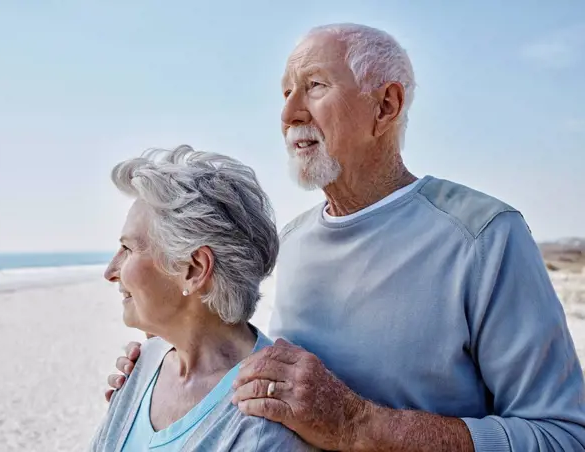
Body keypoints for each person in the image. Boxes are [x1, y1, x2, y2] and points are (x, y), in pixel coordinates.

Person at [106, 24, 585, 451]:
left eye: (314, 86)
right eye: (286, 92)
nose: (289, 113)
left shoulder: (483, 237)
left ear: (386, 105)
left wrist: (362, 426)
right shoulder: (290, 243)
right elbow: (250, 363)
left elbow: (563, 436)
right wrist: (163, 373)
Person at [89, 145, 316, 451]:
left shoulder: (261, 420)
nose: (111, 271)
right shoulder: (142, 365)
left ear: (195, 269)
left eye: (128, 249)